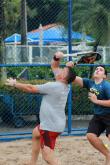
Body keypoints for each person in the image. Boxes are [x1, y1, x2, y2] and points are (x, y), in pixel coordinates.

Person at [5, 51, 76, 165]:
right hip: (52, 123)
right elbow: (54, 65)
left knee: (48, 157)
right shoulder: (64, 83)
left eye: (63, 70)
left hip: (50, 127)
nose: (60, 69)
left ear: (63, 77)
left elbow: (30, 88)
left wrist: (15, 84)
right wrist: (56, 57)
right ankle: (32, 163)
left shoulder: (54, 86)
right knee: (35, 133)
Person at [70, 64, 110, 165]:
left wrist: (96, 101)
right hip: (98, 115)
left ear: (104, 76)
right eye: (96, 69)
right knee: (90, 136)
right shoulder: (90, 83)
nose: (97, 70)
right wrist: (70, 67)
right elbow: (73, 78)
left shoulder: (106, 86)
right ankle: (108, 155)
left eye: (101, 70)